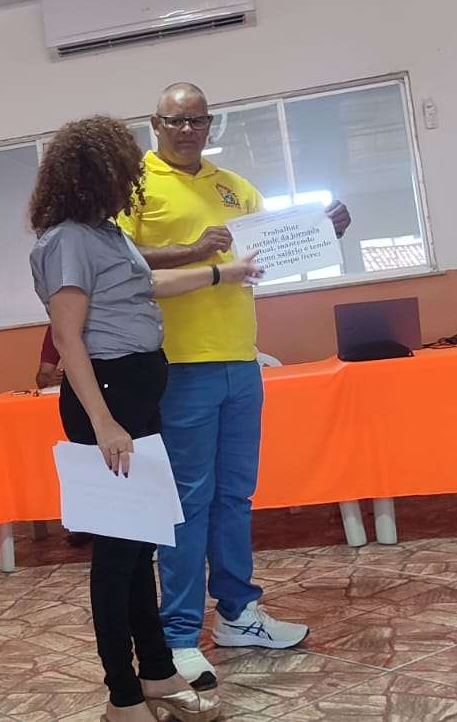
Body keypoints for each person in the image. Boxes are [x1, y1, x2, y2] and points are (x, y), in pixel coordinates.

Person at [28, 115, 262, 722]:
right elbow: (68, 337)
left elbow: (150, 285)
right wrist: (105, 423)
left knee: (139, 543)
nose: (134, 181)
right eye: (125, 172)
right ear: (94, 175)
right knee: (116, 553)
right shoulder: (66, 240)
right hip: (105, 399)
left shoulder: (106, 234)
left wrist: (223, 272)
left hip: (134, 395)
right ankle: (122, 694)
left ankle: (155, 671)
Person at [119, 82, 351, 690]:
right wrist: (191, 251)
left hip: (241, 362)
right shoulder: (133, 185)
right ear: (155, 124)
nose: (187, 130)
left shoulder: (235, 188)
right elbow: (117, 259)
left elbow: (268, 251)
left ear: (210, 124)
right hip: (179, 364)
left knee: (234, 496)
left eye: (197, 120)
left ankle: (238, 613)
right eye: (175, 121)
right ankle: (177, 636)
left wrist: (323, 232)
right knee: (188, 502)